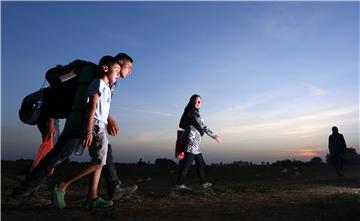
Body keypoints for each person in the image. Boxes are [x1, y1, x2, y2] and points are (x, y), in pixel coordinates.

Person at [11, 53, 136, 206]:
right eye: (129, 67)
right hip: (80, 123)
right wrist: (53, 117)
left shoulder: (109, 80)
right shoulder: (90, 70)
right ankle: (28, 190)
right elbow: (88, 100)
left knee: (102, 153)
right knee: (58, 156)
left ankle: (101, 192)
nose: (130, 71)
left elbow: (98, 102)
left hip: (86, 122)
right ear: (119, 62)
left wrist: (107, 120)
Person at [52, 56, 120, 208]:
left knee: (99, 162)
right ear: (105, 68)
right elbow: (92, 106)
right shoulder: (98, 83)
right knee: (98, 162)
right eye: (116, 70)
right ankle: (63, 184)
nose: (118, 74)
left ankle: (92, 197)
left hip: (100, 126)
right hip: (96, 125)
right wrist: (89, 130)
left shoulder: (107, 88)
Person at [175, 94, 221, 190]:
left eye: (199, 101)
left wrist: (192, 128)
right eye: (196, 101)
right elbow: (203, 127)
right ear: (192, 102)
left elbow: (183, 124)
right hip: (191, 142)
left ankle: (204, 183)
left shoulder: (193, 112)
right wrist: (214, 136)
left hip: (194, 143)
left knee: (200, 162)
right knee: (187, 164)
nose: (198, 103)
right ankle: (179, 185)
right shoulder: (192, 113)